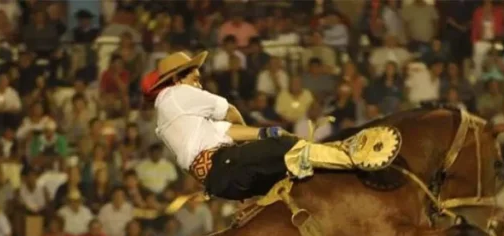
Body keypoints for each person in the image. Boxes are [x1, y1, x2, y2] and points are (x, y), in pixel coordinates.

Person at [141, 51, 399, 203]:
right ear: (176, 79)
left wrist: (264, 133)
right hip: (224, 164)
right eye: (194, 79)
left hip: (222, 180)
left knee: (292, 175)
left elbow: (228, 131)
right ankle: (353, 158)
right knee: (286, 147)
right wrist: (265, 143)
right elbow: (229, 111)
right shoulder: (176, 95)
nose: (199, 85)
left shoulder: (179, 116)